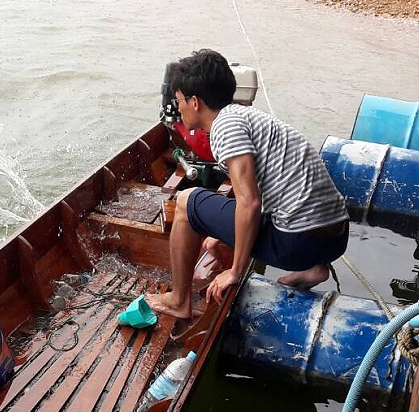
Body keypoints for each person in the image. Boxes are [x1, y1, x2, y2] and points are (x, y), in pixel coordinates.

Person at [148, 48, 349, 319]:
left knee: (185, 203)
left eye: (180, 99)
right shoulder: (248, 117)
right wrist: (221, 233)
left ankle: (178, 300)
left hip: (300, 242)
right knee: (237, 217)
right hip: (335, 238)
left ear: (195, 102)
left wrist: (235, 270)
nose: (179, 106)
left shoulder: (224, 129)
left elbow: (250, 202)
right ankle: (315, 269)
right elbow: (272, 189)